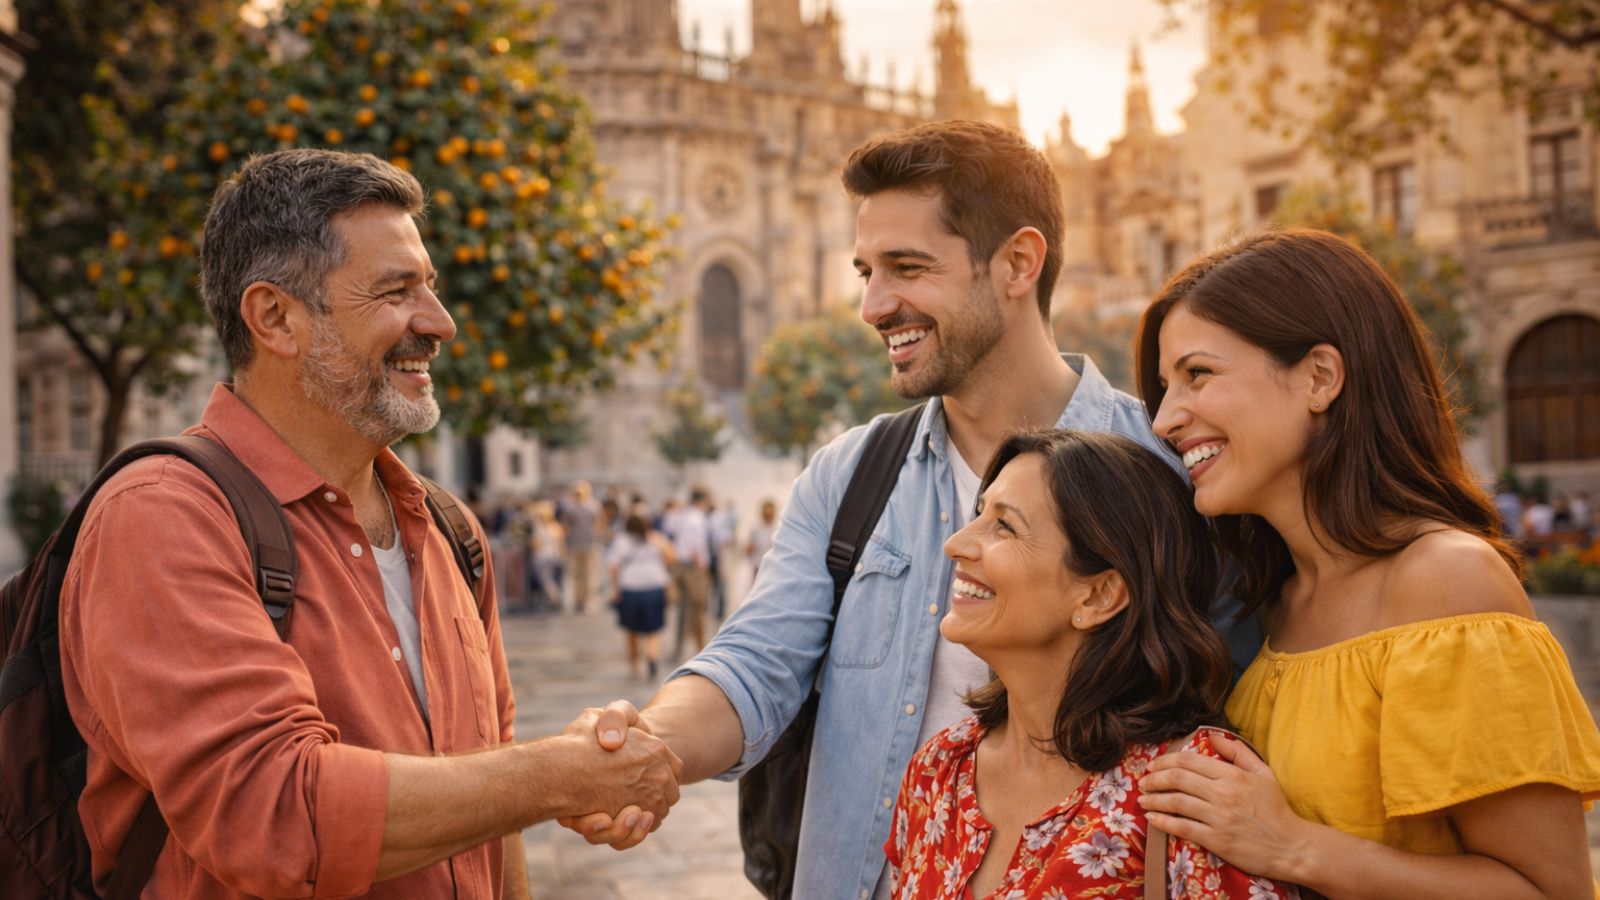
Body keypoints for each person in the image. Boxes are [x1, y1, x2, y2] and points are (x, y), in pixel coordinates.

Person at [568, 121, 1253, 898]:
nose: (872, 305)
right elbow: (757, 662)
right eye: (866, 270)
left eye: (907, 268)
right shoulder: (849, 476)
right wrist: (651, 745)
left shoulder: (1171, 472)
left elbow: (1242, 702)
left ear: (1018, 264)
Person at [58, 149, 681, 898]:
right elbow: (275, 814)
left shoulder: (448, 529)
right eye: (395, 292)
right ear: (275, 318)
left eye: (431, 288)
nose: (440, 323)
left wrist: (539, 783)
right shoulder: (162, 517)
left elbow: (492, 798)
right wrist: (560, 775)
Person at [1135, 227, 1600, 897]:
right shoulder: (1271, 598)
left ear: (1320, 377)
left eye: (1198, 374)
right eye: (1165, 386)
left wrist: (1296, 848)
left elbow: (1550, 892)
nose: (1165, 419)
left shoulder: (1444, 583)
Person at [886, 430, 1289, 899]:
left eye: (1005, 526)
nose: (956, 543)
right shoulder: (939, 769)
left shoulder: (1192, 791)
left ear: (1099, 596)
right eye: (980, 515)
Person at [607, 513, 677, 680]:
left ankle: (633, 663)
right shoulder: (656, 539)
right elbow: (671, 558)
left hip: (631, 588)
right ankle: (652, 656)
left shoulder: (621, 541)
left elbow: (614, 567)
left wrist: (616, 589)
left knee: (631, 630)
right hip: (654, 586)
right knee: (653, 629)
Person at [661, 486, 713, 659]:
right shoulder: (696, 518)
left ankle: (679, 647)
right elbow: (696, 547)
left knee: (683, 609)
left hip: (681, 565)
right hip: (693, 567)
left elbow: (667, 526)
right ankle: (699, 646)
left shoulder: (682, 515)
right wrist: (701, 568)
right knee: (697, 608)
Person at [564, 481, 602, 613]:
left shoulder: (593, 506)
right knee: (576, 574)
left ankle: (588, 599)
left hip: (589, 543)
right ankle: (578, 599)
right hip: (575, 544)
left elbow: (599, 523)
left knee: (589, 573)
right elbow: (567, 526)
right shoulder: (571, 507)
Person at [744, 498, 778, 583]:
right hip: (757, 565)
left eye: (770, 512)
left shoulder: (777, 530)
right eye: (766, 512)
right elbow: (748, 550)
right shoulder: (755, 529)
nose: (768, 514)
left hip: (772, 567)